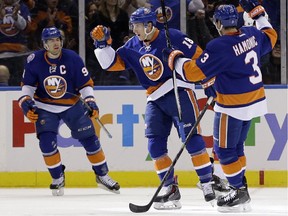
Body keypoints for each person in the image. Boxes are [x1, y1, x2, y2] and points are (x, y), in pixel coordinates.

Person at [90, 7, 221, 210]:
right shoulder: (133, 45)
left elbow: (201, 57)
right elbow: (111, 64)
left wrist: (209, 82)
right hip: (155, 98)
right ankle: (170, 190)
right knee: (155, 146)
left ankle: (207, 183)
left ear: (150, 25)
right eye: (132, 26)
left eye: (138, 26)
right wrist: (101, 45)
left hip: (180, 91)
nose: (134, 30)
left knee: (191, 139)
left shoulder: (173, 36)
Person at [162, 1, 277, 212]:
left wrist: (175, 58)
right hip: (255, 101)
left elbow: (193, 73)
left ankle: (238, 192)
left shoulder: (219, 46)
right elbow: (271, 35)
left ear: (217, 23)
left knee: (224, 151)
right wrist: (258, 13)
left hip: (232, 105)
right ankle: (241, 189)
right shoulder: (252, 34)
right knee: (237, 148)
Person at [18, 26, 120, 196]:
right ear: (44, 44)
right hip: (45, 106)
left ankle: (102, 175)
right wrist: (25, 102)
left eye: (57, 39)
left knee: (90, 140)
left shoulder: (72, 58)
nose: (55, 43)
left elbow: (85, 84)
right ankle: (57, 178)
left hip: (72, 105)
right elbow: (27, 87)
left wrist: (91, 102)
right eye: (51, 40)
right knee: (46, 142)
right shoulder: (33, 60)